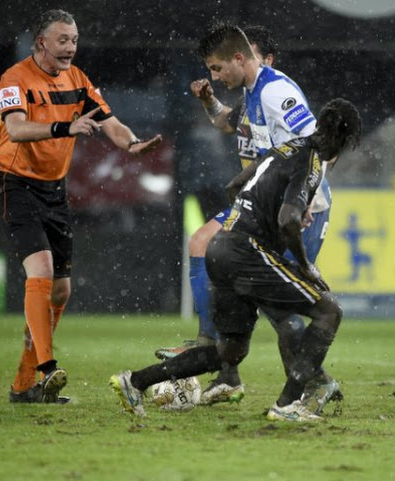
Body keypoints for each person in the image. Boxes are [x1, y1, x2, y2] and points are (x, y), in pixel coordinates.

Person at [110, 98, 363, 421]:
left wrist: (259, 218)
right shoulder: (312, 162)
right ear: (344, 140)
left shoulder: (285, 148)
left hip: (221, 248)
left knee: (228, 351)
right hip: (246, 251)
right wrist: (304, 264)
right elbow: (288, 219)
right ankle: (288, 406)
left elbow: (235, 186)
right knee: (328, 311)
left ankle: (135, 381)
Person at [155, 23, 339, 412]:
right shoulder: (251, 93)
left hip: (294, 211)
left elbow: (319, 147)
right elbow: (226, 121)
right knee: (206, 246)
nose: (215, 77)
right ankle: (219, 359)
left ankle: (313, 383)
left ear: (241, 58)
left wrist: (300, 200)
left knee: (279, 306)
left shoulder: (275, 92)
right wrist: (207, 101)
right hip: (259, 204)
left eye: (217, 69)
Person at [0, 9, 161, 404]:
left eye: (74, 39)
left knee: (61, 291)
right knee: (42, 270)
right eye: (62, 39)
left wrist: (133, 144)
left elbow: (111, 123)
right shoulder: (14, 79)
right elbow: (15, 129)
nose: (70, 47)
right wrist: (67, 127)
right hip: (13, 182)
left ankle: (23, 385)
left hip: (53, 189)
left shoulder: (77, 79)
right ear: (41, 43)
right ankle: (48, 368)